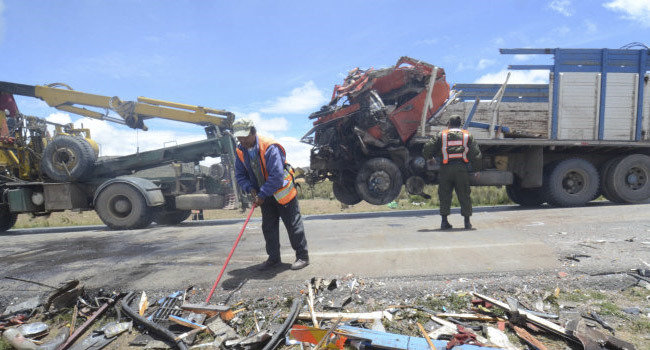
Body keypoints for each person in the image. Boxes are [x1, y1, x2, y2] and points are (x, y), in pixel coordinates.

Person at [232, 119, 309, 270]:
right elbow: (240, 175)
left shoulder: (270, 147)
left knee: (293, 225)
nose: (242, 141)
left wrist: (262, 194)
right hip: (264, 195)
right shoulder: (241, 151)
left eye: (245, 137)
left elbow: (276, 176)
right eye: (239, 138)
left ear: (253, 132)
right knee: (268, 227)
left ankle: (302, 257)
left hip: (282, 193)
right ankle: (274, 259)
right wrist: (250, 188)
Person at [422, 115, 481, 230]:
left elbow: (427, 148)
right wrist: (477, 169)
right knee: (464, 194)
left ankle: (444, 222)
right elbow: (476, 154)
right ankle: (467, 223)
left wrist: (430, 158)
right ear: (460, 124)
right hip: (461, 170)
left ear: (449, 124)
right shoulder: (467, 135)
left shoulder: (441, 135)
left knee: (444, 195)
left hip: (445, 169)